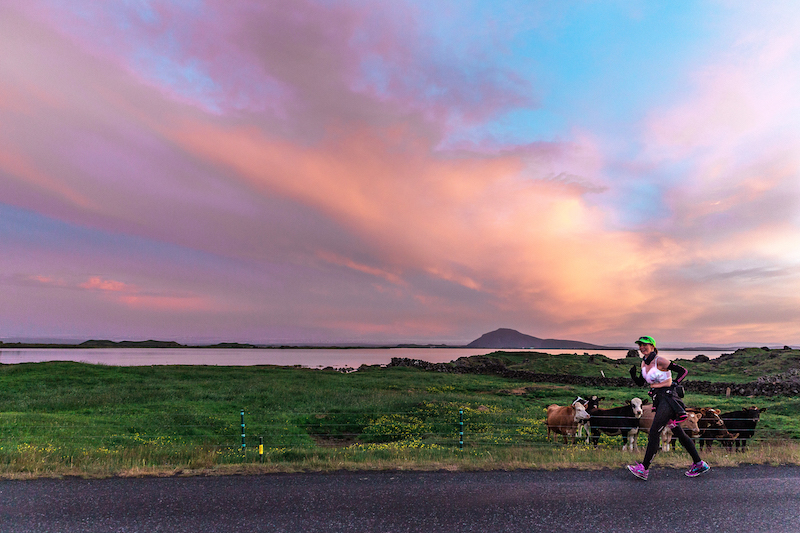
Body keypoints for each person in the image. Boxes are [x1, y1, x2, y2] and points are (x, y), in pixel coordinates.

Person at [626, 335, 710, 480]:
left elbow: (683, 371)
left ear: (652, 346)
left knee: (654, 433)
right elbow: (641, 382)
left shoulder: (660, 360)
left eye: (644, 345)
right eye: (640, 345)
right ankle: (699, 463)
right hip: (659, 400)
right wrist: (633, 375)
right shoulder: (644, 363)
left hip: (668, 399)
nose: (641, 347)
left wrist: (675, 382)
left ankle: (643, 469)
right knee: (679, 433)